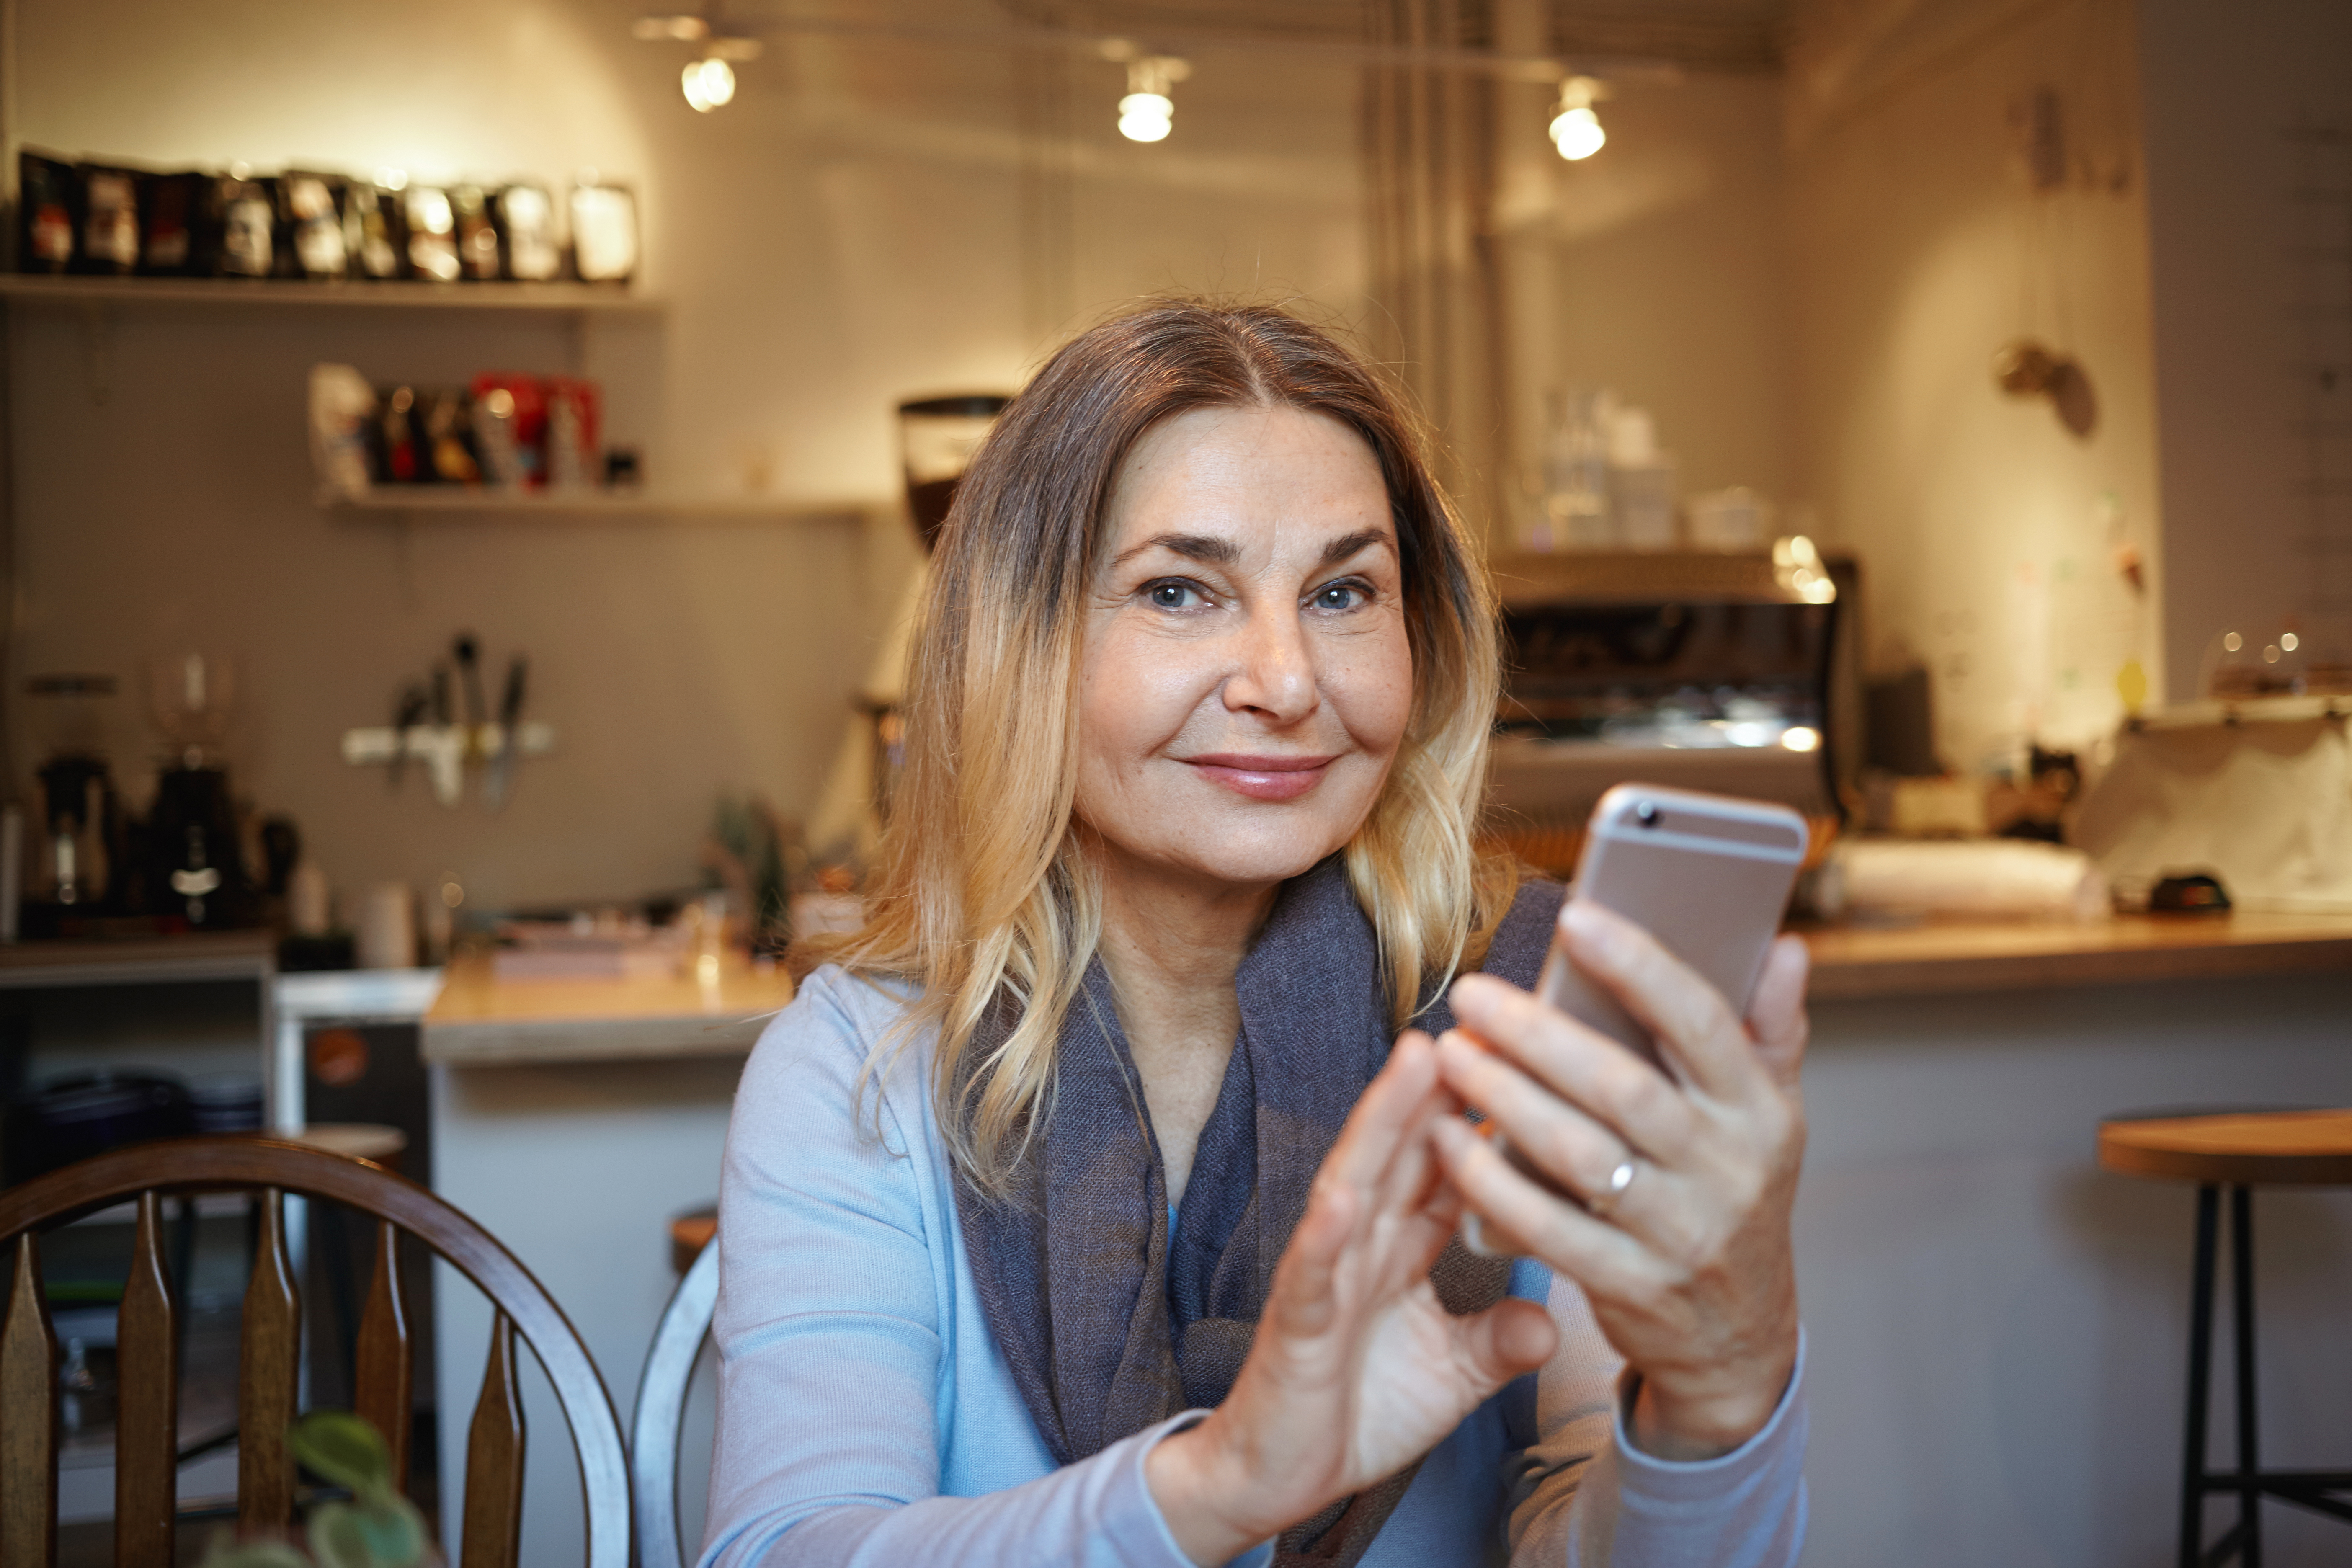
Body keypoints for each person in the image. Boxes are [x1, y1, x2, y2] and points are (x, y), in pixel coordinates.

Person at [702, 300, 1810, 1568]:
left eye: (1343, 592)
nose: (1285, 683)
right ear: (1021, 648)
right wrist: (1217, 1487)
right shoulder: (859, 1072)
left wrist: (1718, 1411)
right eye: (1181, 591)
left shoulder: (1527, 1019)